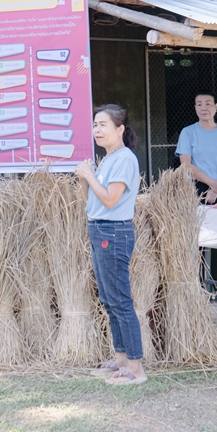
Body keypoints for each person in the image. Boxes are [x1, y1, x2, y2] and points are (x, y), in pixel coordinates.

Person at [76, 105, 146, 385]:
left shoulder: (125, 159)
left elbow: (110, 200)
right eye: (95, 124)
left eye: (104, 124)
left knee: (120, 300)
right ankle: (120, 360)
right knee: (108, 299)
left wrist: (89, 175)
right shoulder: (107, 159)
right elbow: (92, 201)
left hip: (113, 233)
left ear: (120, 130)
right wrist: (85, 177)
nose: (97, 130)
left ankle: (136, 368)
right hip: (98, 228)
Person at [176, 92, 217, 302]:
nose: (204, 108)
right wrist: (211, 184)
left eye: (208, 103)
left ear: (216, 107)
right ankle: (198, 286)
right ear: (195, 108)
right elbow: (186, 164)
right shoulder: (188, 132)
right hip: (195, 188)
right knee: (197, 239)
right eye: (199, 104)